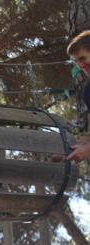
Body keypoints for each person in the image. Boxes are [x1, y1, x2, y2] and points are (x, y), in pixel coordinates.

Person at [66, 30, 90, 163]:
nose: (80, 66)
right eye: (76, 62)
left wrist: (87, 149)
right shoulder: (89, 91)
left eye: (82, 58)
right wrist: (68, 152)